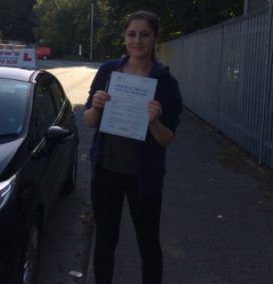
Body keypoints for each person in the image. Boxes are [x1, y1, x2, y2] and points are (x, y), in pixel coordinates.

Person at [83, 10, 182, 284]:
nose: (137, 40)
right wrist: (97, 106)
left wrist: (154, 122)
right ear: (124, 38)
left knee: (148, 243)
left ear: (154, 38)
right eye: (132, 34)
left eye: (144, 34)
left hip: (144, 178)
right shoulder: (108, 72)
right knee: (105, 239)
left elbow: (167, 139)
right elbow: (89, 121)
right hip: (106, 171)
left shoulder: (165, 83)